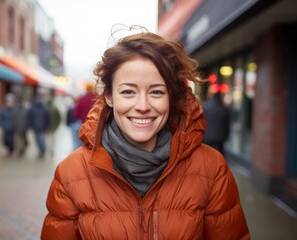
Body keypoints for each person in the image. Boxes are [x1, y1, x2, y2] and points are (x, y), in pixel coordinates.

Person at [41, 28, 250, 239]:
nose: (142, 106)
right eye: (128, 92)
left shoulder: (212, 169)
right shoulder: (71, 174)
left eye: (156, 92)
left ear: (171, 97)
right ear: (110, 97)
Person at [202, 89, 230, 155]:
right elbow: (226, 124)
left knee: (207, 155)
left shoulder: (206, 107)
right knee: (220, 154)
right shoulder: (224, 109)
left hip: (207, 137)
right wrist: (226, 136)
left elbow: (202, 122)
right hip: (220, 138)